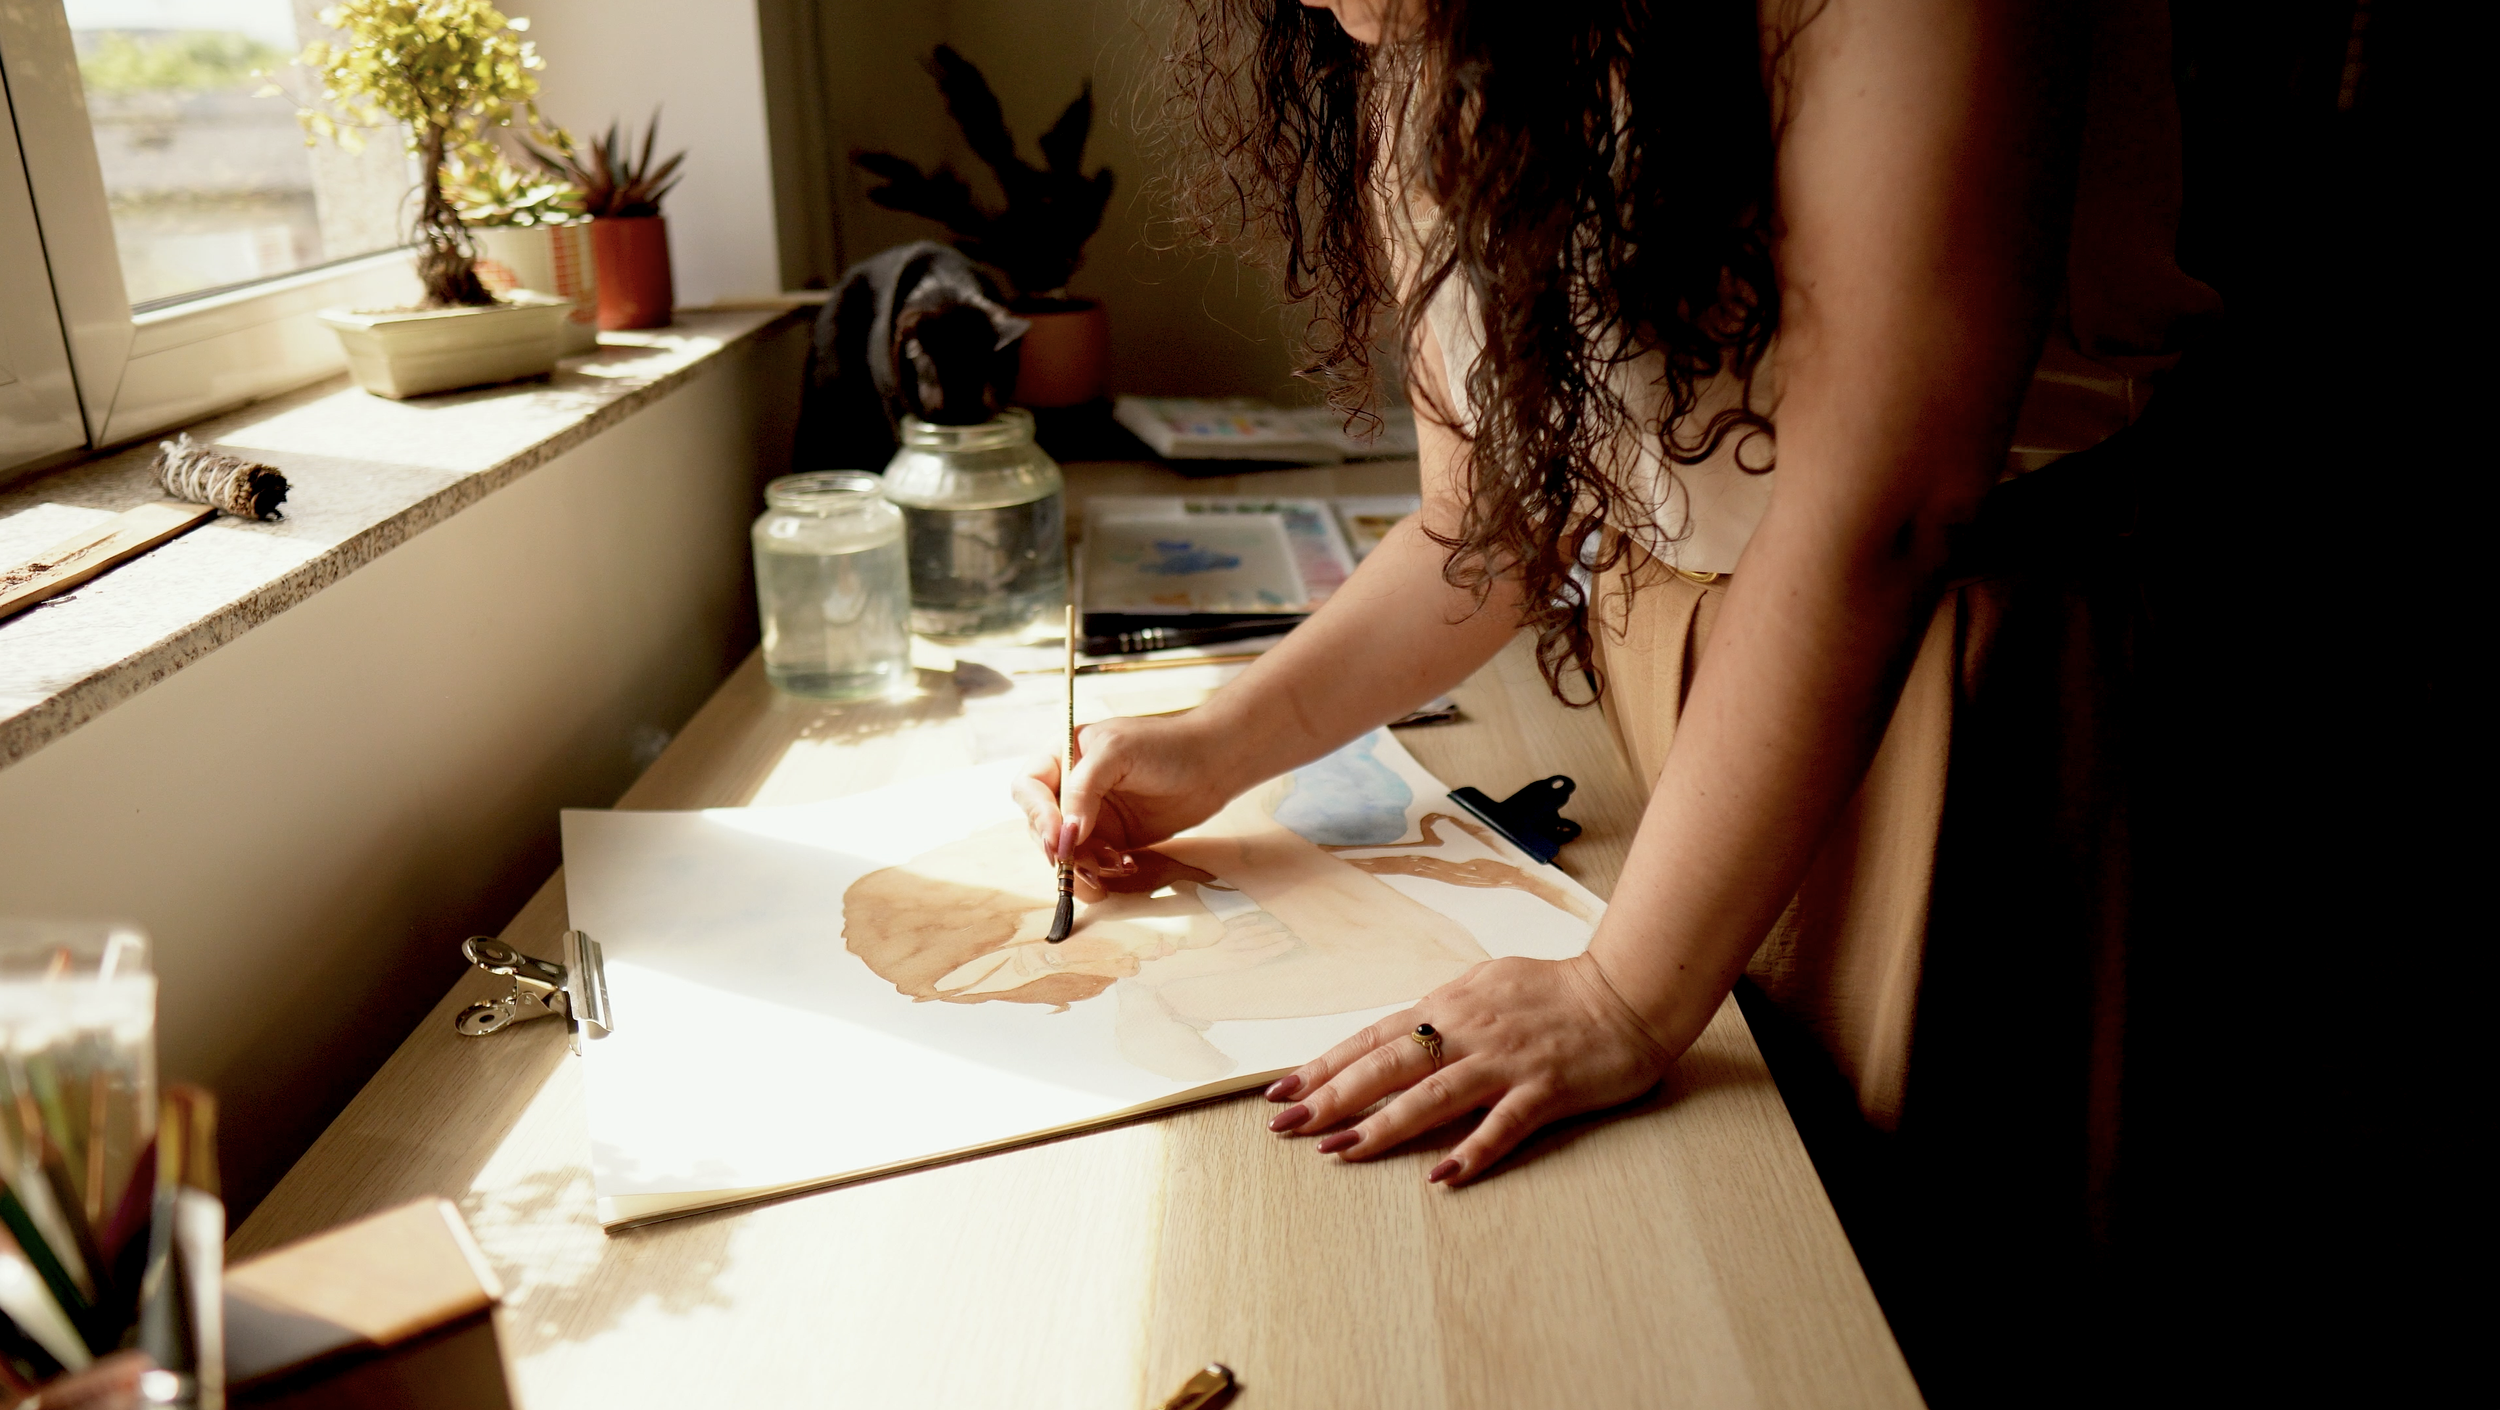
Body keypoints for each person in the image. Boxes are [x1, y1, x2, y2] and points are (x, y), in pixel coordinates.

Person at [1018, 0, 2217, 1394]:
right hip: (1715, 715)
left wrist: (1624, 994)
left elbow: (1883, 510)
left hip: (1981, 704)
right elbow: (1489, 525)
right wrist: (1218, 742)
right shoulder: (1421, 43)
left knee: (1960, 1312)